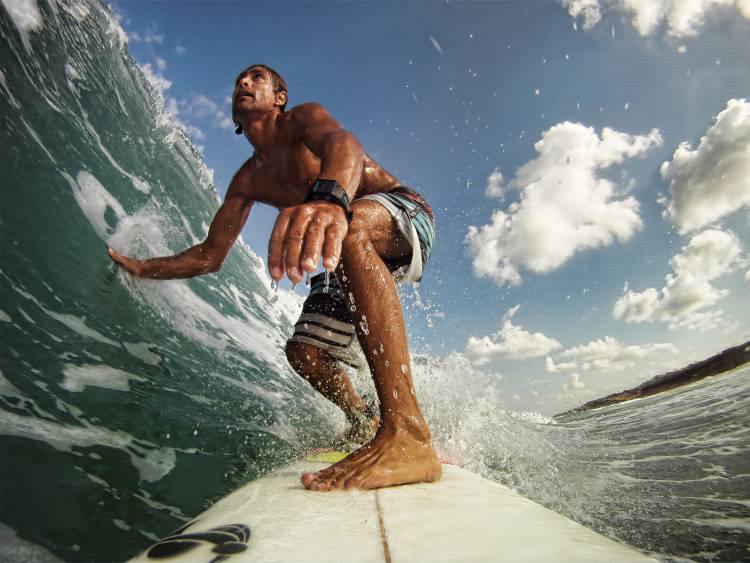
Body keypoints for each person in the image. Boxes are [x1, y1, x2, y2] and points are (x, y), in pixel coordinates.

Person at [107, 64, 441, 491]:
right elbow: (210, 256)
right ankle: (364, 420)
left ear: (280, 96)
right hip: (346, 243)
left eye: (257, 77)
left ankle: (408, 434)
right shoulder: (249, 180)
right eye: (238, 82)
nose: (243, 84)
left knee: (353, 226)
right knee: (304, 353)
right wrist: (142, 268)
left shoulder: (303, 119)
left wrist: (330, 197)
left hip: (397, 212)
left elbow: (345, 143)